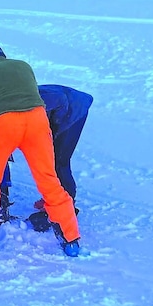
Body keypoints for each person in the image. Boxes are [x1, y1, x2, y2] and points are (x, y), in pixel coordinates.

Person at [0, 45, 81, 256]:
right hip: (38, 120)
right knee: (49, 181)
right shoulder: (23, 66)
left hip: (5, 124)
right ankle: (71, 238)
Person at [27, 84, 93, 231]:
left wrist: (55, 126)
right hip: (63, 109)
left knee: (60, 161)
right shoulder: (19, 102)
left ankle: (68, 205)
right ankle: (53, 200)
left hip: (74, 110)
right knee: (49, 160)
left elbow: (60, 99)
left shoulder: (34, 99)